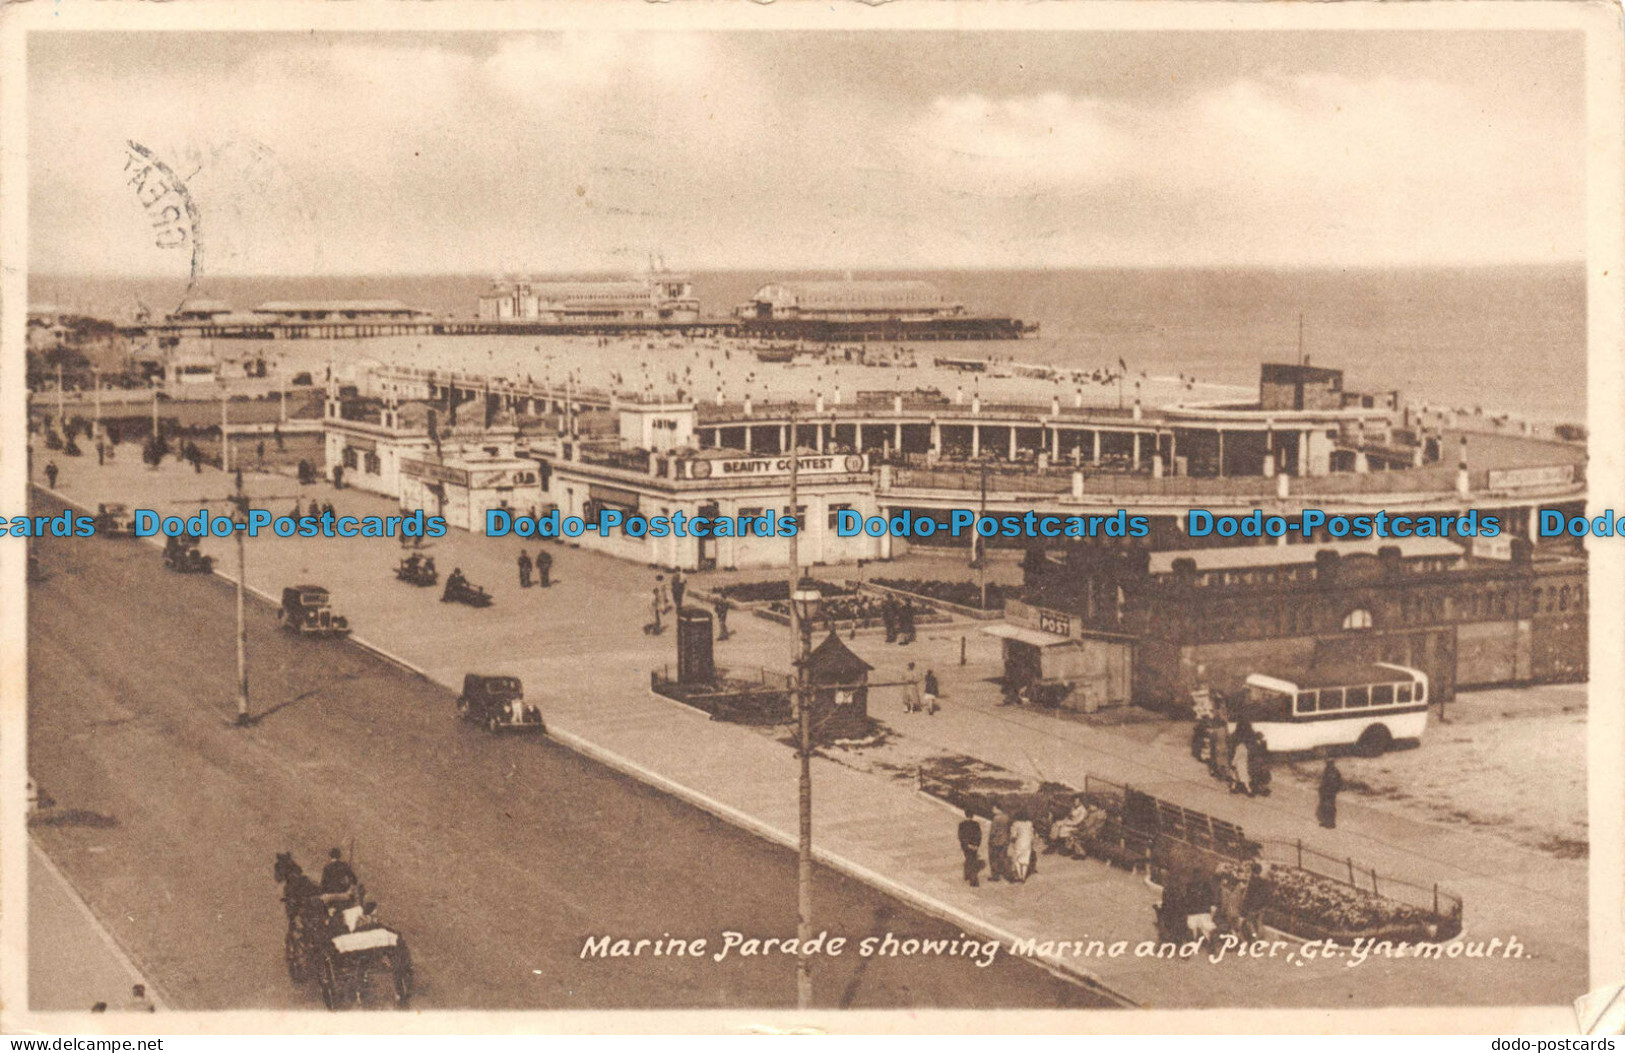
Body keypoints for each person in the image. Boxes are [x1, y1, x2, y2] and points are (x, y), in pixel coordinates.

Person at [957, 809, 984, 887]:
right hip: (974, 846)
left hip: (966, 846)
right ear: (973, 816)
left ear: (965, 815)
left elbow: (961, 836)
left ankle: (972, 879)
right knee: (971, 860)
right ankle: (969, 876)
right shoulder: (976, 824)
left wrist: (967, 845)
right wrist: (977, 845)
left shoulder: (962, 824)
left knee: (969, 860)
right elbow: (979, 835)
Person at [987, 806, 1013, 883]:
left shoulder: (996, 818)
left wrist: (990, 839)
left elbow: (993, 831)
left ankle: (995, 876)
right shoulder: (1007, 817)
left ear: (998, 809)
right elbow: (1009, 829)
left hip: (996, 841)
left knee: (993, 858)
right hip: (1005, 841)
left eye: (994, 808)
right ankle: (1009, 875)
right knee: (1004, 857)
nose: (992, 810)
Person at [1318, 759, 1343, 829]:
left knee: (1329, 806)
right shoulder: (1328, 770)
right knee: (1325, 806)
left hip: (1330, 791)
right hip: (1327, 791)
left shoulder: (1333, 771)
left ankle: (1330, 822)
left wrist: (1335, 790)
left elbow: (1338, 782)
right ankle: (1326, 821)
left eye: (1328, 763)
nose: (1327, 764)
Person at [1010, 813, 1035, 882]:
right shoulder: (1029, 823)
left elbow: (1013, 836)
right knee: (1025, 860)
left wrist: (1012, 840)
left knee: (1017, 859)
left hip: (1019, 843)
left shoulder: (1016, 824)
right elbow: (1032, 835)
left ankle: (1019, 875)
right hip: (1028, 843)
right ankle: (1024, 876)